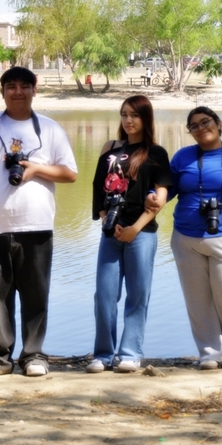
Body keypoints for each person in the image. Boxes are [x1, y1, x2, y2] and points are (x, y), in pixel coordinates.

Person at [0, 67, 78, 377]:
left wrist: (36, 169)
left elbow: (69, 173)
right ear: (2, 92)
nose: (18, 92)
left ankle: (33, 355)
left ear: (34, 90)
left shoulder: (50, 129)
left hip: (36, 226)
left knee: (36, 294)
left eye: (24, 86)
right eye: (11, 86)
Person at [165, 106, 222, 369]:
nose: (201, 128)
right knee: (198, 302)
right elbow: (166, 190)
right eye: (194, 125)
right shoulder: (182, 157)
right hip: (186, 238)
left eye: (205, 122)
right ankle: (210, 354)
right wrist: (149, 197)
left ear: (218, 123)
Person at [87, 95, 171, 373]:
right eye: (124, 114)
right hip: (112, 232)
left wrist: (135, 228)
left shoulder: (156, 153)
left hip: (141, 233)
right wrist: (107, 221)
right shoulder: (110, 149)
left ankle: (130, 353)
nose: (128, 120)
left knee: (138, 294)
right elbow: (97, 188)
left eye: (134, 115)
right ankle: (103, 354)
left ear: (146, 118)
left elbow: (160, 197)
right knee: (104, 295)